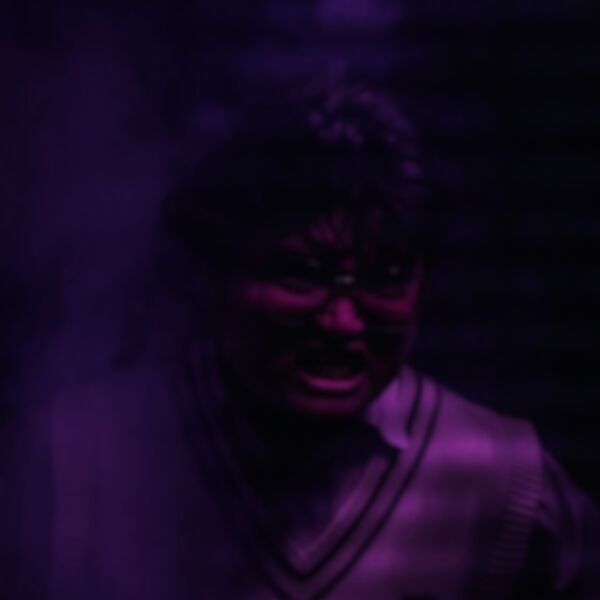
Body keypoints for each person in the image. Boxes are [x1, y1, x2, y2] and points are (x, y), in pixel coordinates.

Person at [0, 80, 597, 600]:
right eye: (301, 275)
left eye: (384, 277)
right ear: (214, 276)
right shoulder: (67, 458)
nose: (342, 322)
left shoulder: (503, 481)